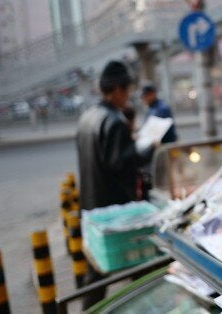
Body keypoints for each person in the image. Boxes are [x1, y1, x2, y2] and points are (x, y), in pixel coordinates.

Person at [76, 61, 158, 308]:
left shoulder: (87, 117)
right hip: (116, 211)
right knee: (138, 265)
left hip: (91, 206)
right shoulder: (113, 122)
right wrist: (146, 149)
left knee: (96, 272)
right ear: (118, 90)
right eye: (128, 91)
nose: (129, 97)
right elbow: (121, 164)